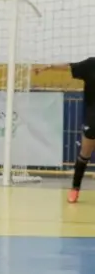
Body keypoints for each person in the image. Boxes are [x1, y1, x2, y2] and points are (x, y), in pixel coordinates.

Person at [37, 59, 95, 203]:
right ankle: (75, 188)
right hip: (93, 115)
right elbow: (69, 67)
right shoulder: (91, 64)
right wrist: (49, 65)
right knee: (85, 153)